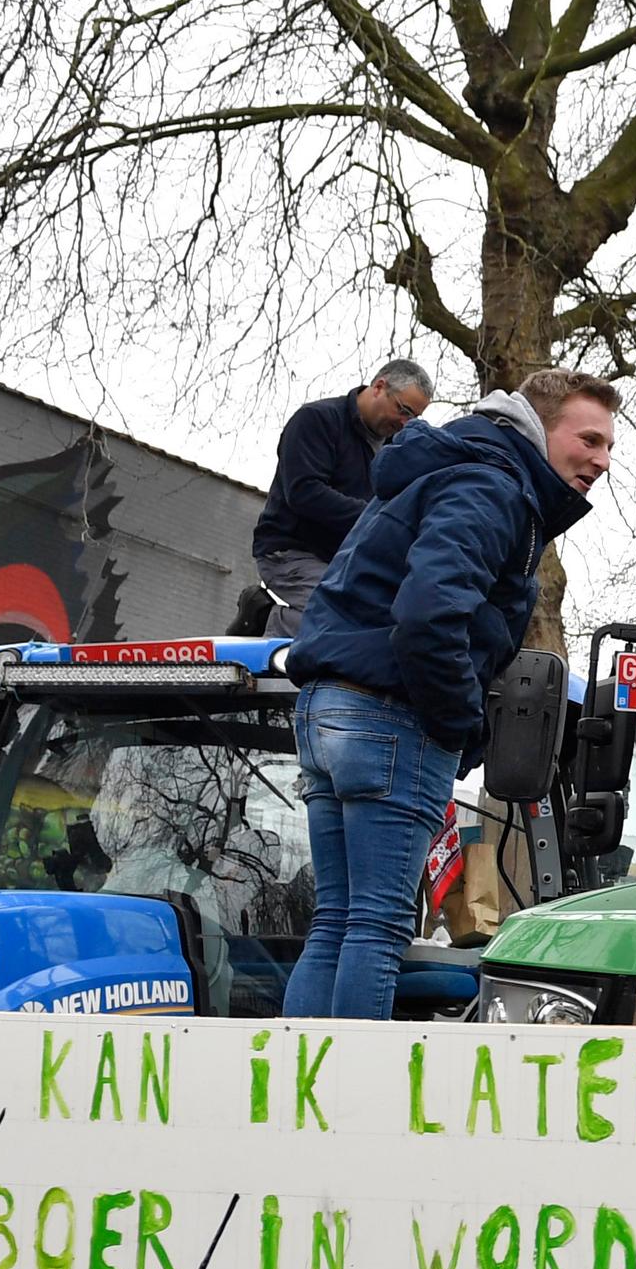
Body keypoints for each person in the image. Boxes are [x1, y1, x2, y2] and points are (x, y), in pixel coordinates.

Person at [283, 369, 610, 1019]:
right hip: (389, 715)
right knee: (377, 929)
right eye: (590, 440)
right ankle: (349, 1109)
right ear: (540, 428)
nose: (601, 462)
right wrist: (461, 720)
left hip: (328, 705)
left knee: (337, 923)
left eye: (609, 449)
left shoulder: (453, 468)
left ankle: (296, 1099)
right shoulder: (493, 487)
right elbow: (429, 618)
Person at [254, 362, 434, 626]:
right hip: (289, 552)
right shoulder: (317, 420)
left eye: (414, 417)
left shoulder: (394, 449)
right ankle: (263, 624)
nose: (405, 422)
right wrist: (378, 518)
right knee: (335, 616)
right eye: (402, 409)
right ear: (379, 387)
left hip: (343, 560)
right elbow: (304, 492)